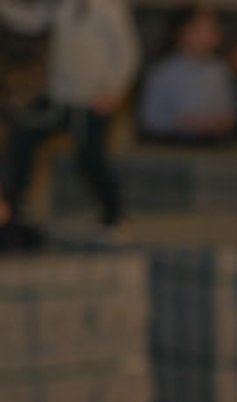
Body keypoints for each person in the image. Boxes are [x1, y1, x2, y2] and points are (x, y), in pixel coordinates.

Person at [0, 0, 139, 232]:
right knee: (23, 137)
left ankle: (114, 212)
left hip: (92, 101)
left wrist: (114, 90)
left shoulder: (108, 7)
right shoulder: (58, 5)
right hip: (59, 98)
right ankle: (14, 207)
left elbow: (127, 52)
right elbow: (31, 21)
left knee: (90, 159)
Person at [138, 4, 237, 144]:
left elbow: (230, 113)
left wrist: (217, 122)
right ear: (184, 32)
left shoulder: (220, 70)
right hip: (171, 147)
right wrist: (184, 123)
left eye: (213, 30)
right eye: (204, 31)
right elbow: (150, 120)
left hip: (213, 145)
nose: (212, 37)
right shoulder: (162, 73)